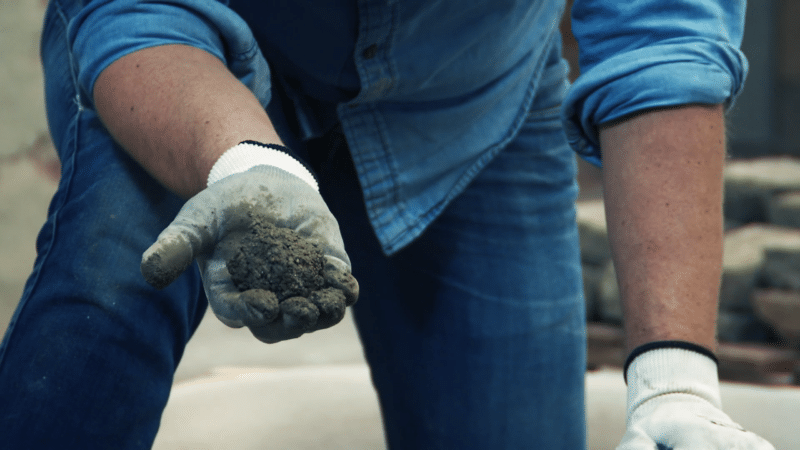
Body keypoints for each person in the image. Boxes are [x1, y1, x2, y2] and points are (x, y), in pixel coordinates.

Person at [0, 0, 775, 448]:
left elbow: (663, 31)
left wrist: (675, 380)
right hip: (194, 54)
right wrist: (243, 162)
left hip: (471, 90)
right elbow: (134, 8)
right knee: (102, 309)